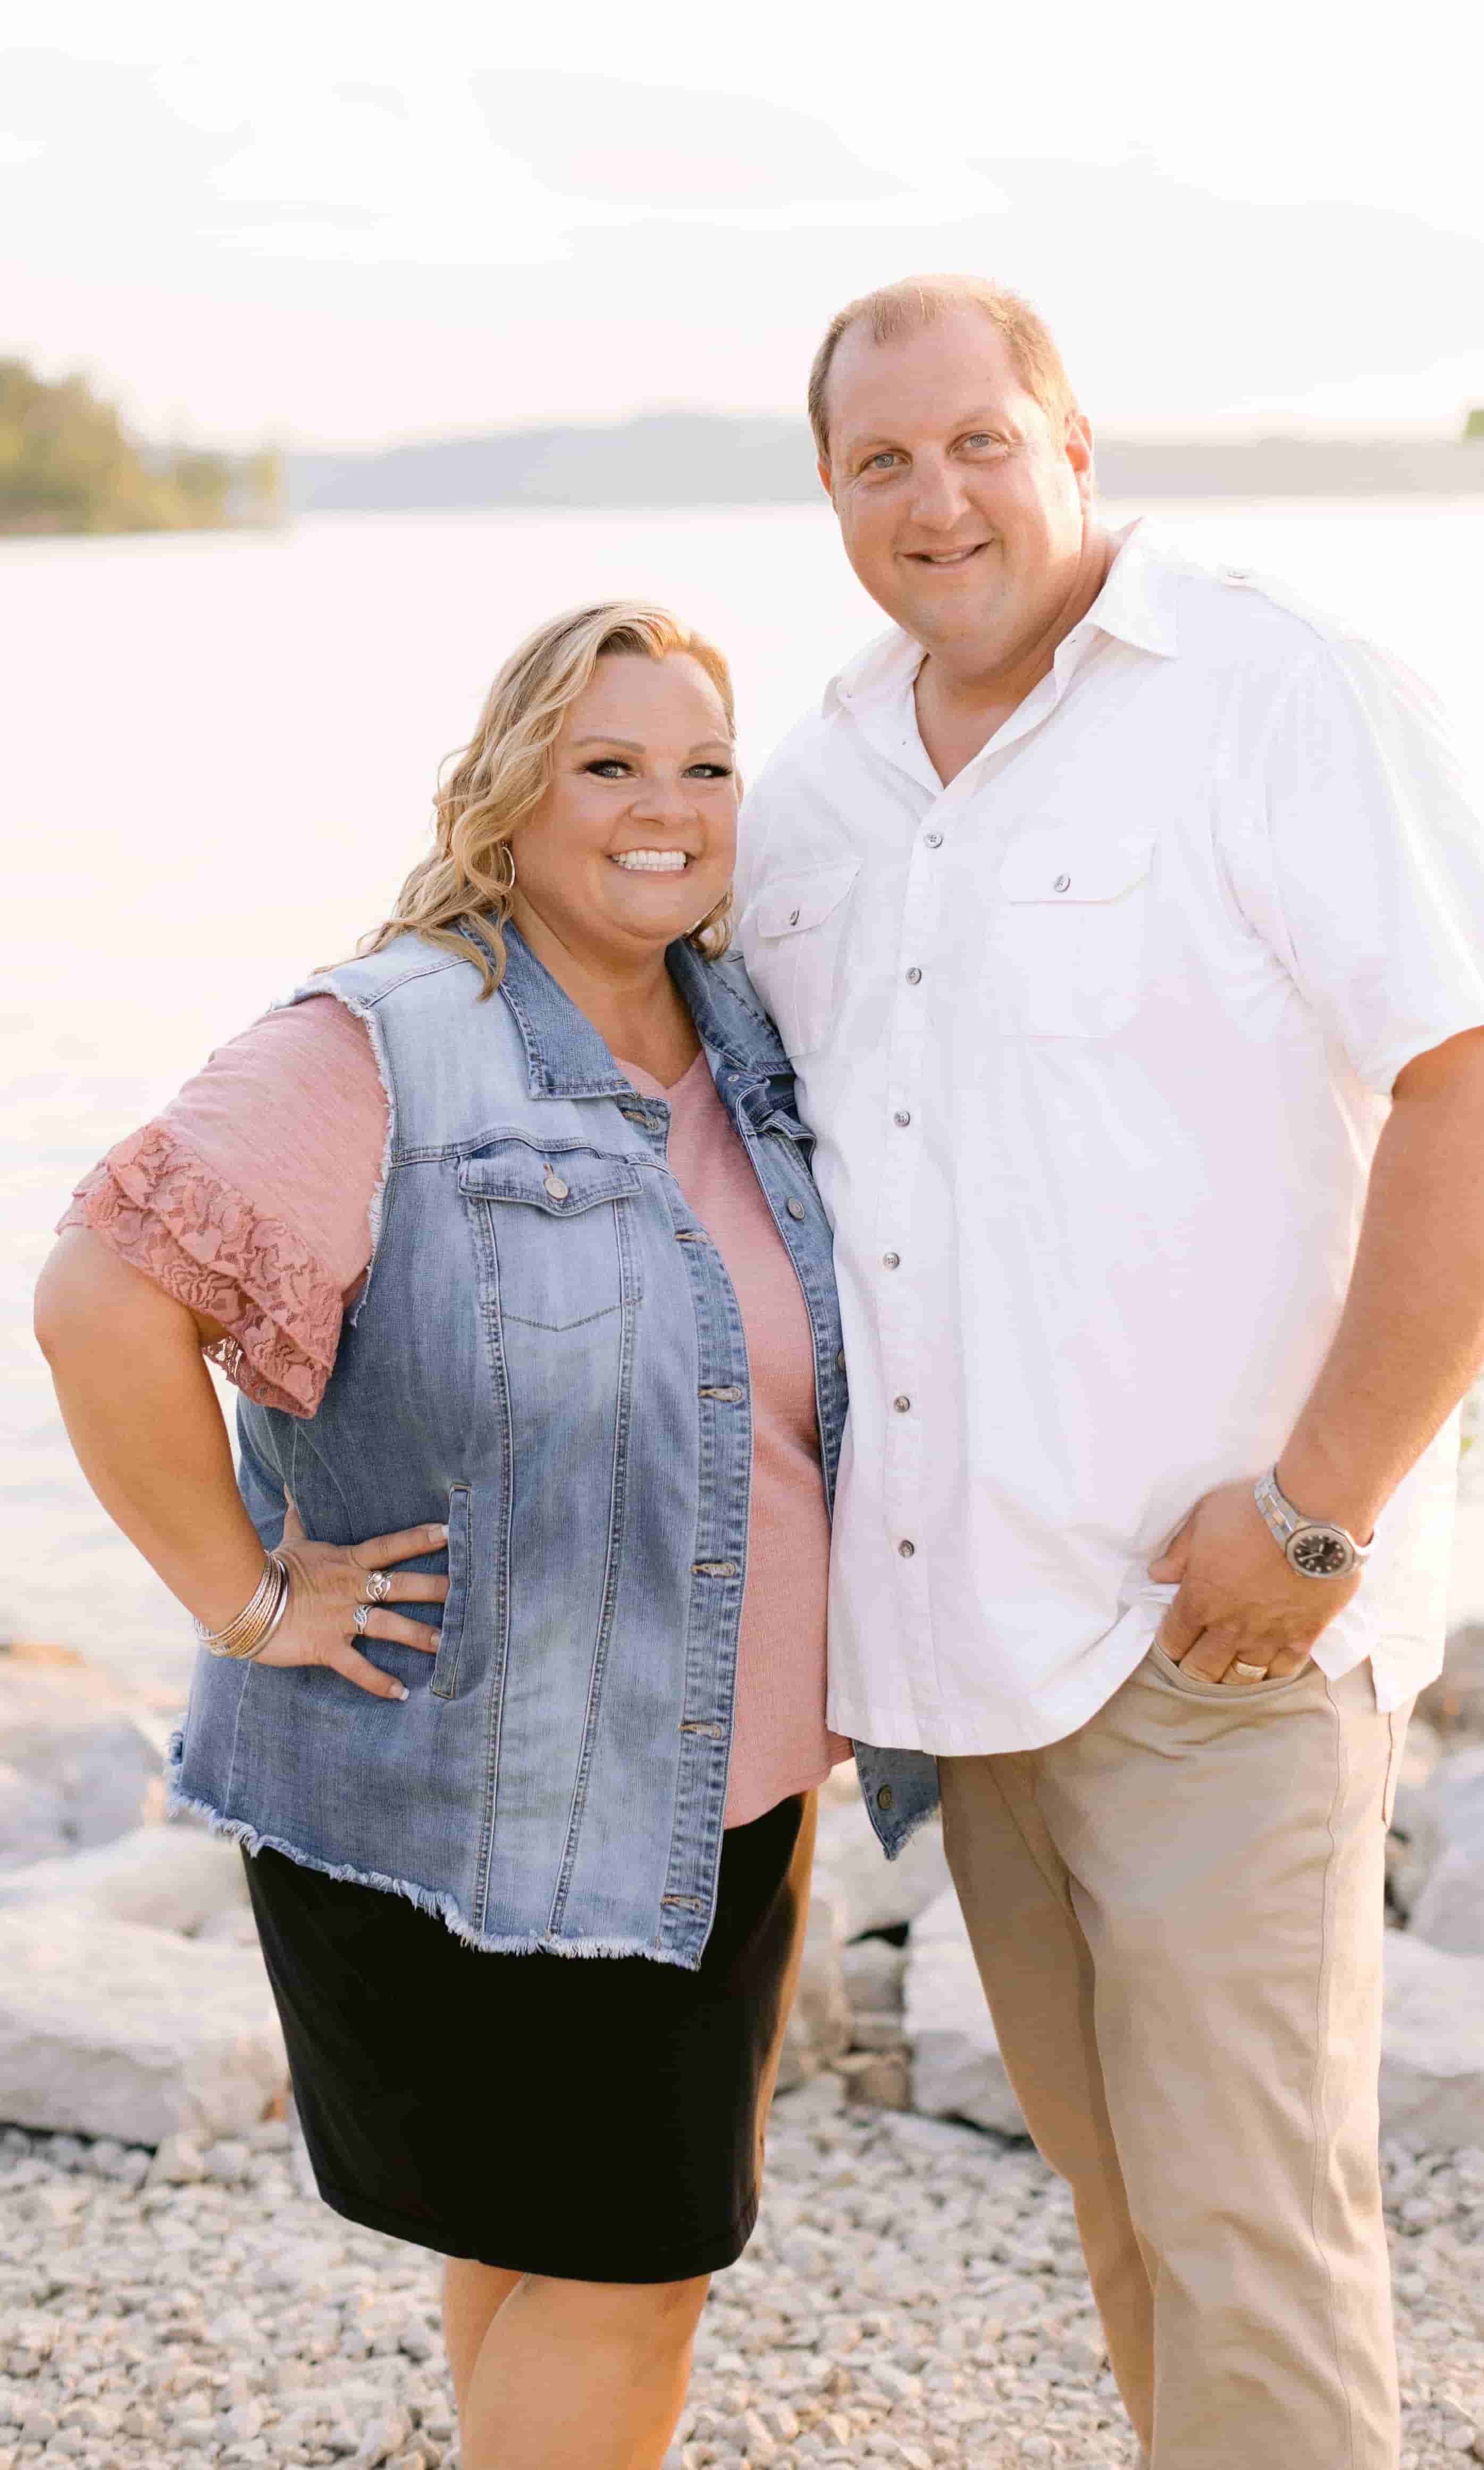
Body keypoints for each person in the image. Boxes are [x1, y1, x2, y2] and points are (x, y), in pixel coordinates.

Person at [734, 275, 1484, 2469]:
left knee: (1253, 2249)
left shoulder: (1268, 690)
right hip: (967, 1663)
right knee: (1130, 2230)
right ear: (828, 492)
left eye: (978, 442)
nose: (936, 498)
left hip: (1220, 1638)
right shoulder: (815, 788)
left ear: (1074, 443)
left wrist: (1316, 1512)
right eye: (880, 461)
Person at [34, 600, 858, 2470]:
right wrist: (250, 1597)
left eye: (705, 766)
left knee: (543, 2239)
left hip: (720, 1790)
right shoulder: (385, 1038)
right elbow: (101, 1298)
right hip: (479, 1779)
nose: (666, 807)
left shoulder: (743, 1032)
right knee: (637, 2269)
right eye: (608, 764)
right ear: (509, 793)